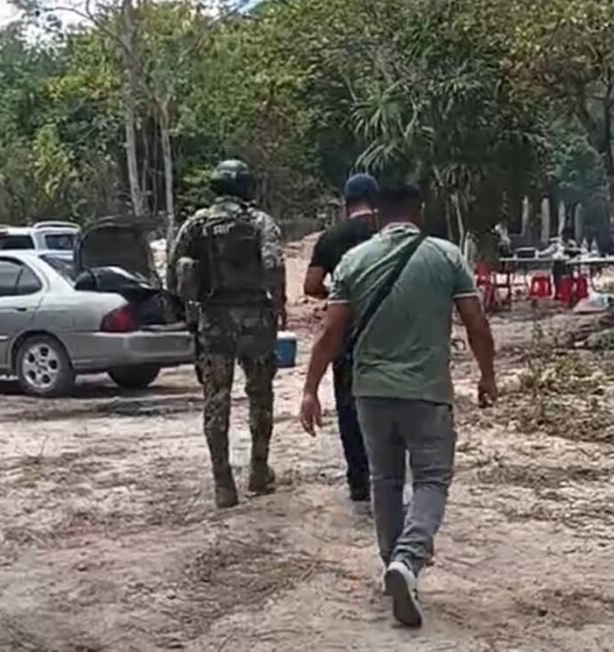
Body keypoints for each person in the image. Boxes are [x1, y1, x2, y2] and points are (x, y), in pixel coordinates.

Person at [299, 184, 497, 628]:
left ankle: (395, 566)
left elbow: (331, 333)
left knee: (384, 479)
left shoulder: (353, 260)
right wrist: (487, 375)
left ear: (378, 217)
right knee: (430, 478)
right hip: (427, 392)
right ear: (417, 213)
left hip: (369, 392)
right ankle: (407, 561)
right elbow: (476, 324)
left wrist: (310, 388)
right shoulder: (445, 256)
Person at [168, 159, 286, 510]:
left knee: (216, 398)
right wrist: (278, 305)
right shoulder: (260, 222)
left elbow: (174, 270)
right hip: (255, 320)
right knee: (260, 395)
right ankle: (259, 470)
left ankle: (223, 483)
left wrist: (187, 313)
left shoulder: (196, 224)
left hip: (214, 321)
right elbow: (273, 265)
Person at [303, 173, 379, 502]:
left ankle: (358, 478)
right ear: (376, 203)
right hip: (389, 326)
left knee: (348, 402)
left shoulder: (331, 237)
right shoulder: (386, 234)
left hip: (347, 330)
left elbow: (310, 285)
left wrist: (336, 294)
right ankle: (387, 470)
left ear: (345, 203)